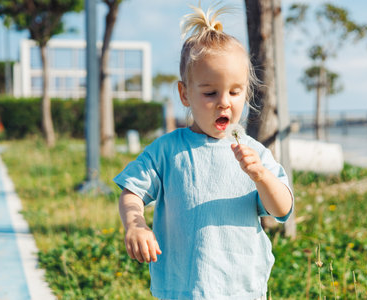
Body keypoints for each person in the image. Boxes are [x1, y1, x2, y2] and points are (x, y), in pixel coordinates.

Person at [114, 4, 294, 300]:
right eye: (210, 93)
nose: (224, 102)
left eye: (235, 92)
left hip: (242, 289)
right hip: (181, 288)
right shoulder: (167, 150)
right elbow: (132, 190)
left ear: (246, 93)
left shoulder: (255, 153)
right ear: (185, 94)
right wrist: (135, 225)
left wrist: (261, 177)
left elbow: (282, 208)